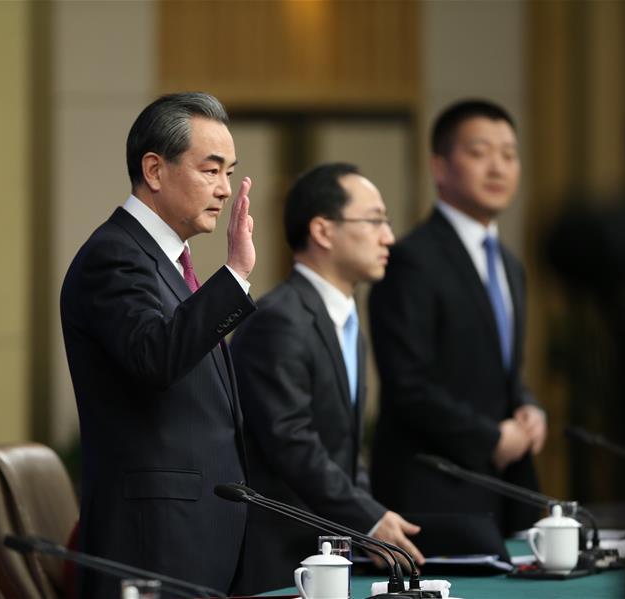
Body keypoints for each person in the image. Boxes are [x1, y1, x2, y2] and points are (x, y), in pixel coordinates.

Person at [60, 92, 256, 597]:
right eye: (211, 170)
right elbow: (156, 357)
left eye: (229, 173)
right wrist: (235, 274)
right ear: (154, 170)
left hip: (196, 537)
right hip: (151, 545)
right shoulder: (114, 255)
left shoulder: (167, 262)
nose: (224, 189)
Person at [230, 163, 424, 594]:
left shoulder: (346, 320)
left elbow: (344, 449)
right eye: (374, 220)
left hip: (329, 555)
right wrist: (367, 518)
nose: (388, 237)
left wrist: (367, 520)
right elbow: (292, 442)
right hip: (279, 560)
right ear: (322, 230)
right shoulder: (279, 320)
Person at [368, 99, 547, 535]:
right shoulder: (410, 259)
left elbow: (501, 367)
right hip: (434, 491)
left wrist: (528, 404)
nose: (498, 167)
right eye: (479, 152)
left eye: (509, 154)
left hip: (504, 490)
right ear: (440, 166)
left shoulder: (510, 264)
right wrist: (491, 438)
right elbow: (408, 384)